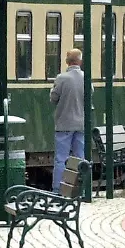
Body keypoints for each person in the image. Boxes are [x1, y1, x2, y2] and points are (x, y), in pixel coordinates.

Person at [50, 48, 89, 191]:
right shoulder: (86, 78)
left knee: (61, 159)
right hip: (81, 123)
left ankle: (58, 190)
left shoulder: (61, 78)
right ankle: (82, 189)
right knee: (80, 158)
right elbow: (89, 95)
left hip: (64, 124)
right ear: (80, 61)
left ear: (67, 62)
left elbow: (53, 98)